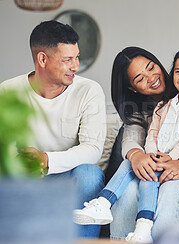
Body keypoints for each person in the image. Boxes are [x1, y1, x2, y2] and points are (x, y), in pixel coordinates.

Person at [75, 46, 179, 240]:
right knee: (130, 189)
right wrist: (137, 155)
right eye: (139, 78)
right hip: (161, 165)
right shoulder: (143, 109)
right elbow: (132, 136)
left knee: (171, 189)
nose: (151, 77)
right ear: (132, 88)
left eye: (151, 67)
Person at [0, 20, 106, 238]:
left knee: (90, 174)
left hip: (65, 176)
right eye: (67, 59)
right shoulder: (8, 90)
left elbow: (93, 149)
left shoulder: (89, 91)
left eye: (76, 57)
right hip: (23, 178)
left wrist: (46, 160)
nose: (76, 66)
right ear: (42, 59)